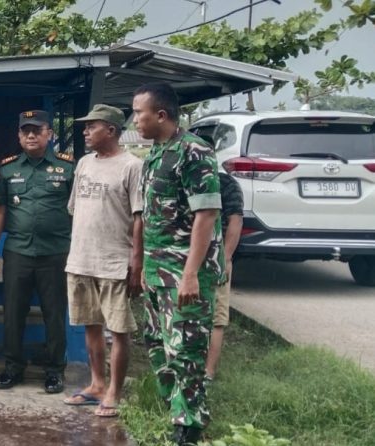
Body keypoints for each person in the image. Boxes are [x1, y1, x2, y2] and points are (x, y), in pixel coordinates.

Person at [132, 82, 224, 446]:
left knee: (186, 349)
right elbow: (151, 217)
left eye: (138, 113)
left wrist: (190, 275)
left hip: (185, 272)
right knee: (157, 342)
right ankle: (177, 409)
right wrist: (143, 265)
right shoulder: (156, 154)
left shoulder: (194, 151)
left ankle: (190, 426)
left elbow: (206, 214)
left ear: (160, 115)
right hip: (158, 269)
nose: (134, 120)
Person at [59, 104, 143, 417]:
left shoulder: (132, 166)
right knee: (91, 325)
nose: (85, 131)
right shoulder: (84, 163)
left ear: (111, 130)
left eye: (91, 126)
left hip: (114, 261)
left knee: (118, 330)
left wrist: (136, 262)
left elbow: (140, 218)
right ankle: (96, 384)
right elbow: (75, 209)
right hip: (81, 259)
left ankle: (114, 393)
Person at [0, 110, 74, 394]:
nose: (31, 135)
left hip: (56, 253)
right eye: (26, 131)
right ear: (19, 136)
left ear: (50, 134)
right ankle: (13, 367)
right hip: (18, 252)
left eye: (37, 130)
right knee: (13, 313)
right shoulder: (8, 169)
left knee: (54, 314)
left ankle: (54, 371)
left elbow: (78, 210)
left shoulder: (67, 168)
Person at [206, 172, 243, 381]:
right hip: (184, 256)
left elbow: (235, 221)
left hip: (216, 258)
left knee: (217, 316)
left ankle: (208, 372)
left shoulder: (226, 183)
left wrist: (226, 257)